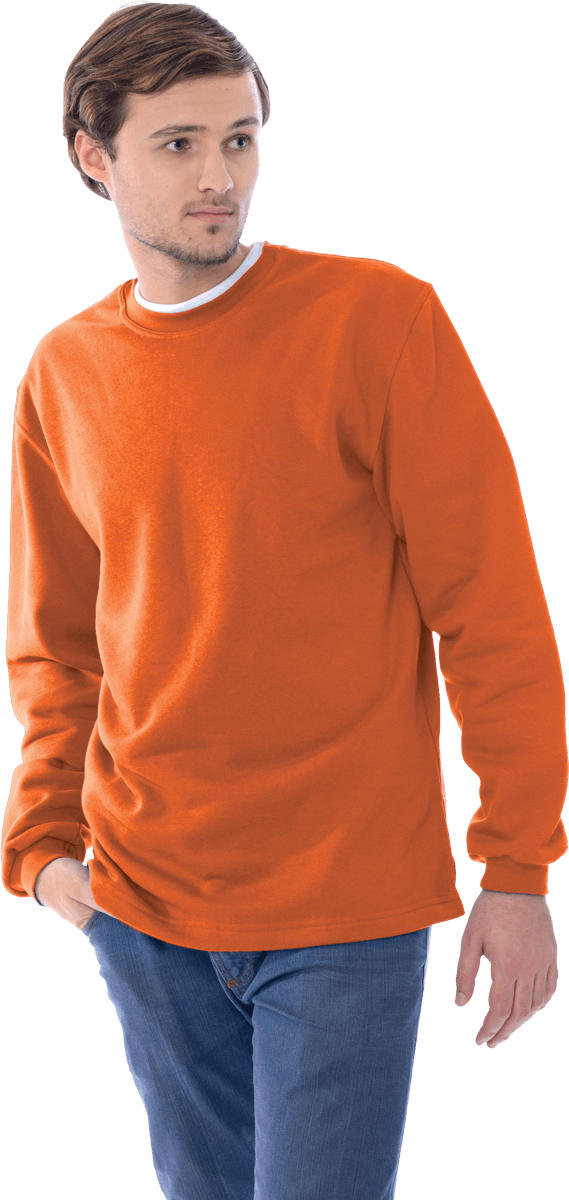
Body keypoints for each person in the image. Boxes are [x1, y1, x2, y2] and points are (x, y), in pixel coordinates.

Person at [2, 5, 566, 1199]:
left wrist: (517, 868)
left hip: (345, 901)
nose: (220, 177)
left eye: (240, 139)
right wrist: (45, 847)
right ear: (94, 158)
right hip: (140, 902)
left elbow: (491, 611)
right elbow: (55, 643)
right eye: (178, 144)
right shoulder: (62, 373)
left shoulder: (377, 321)